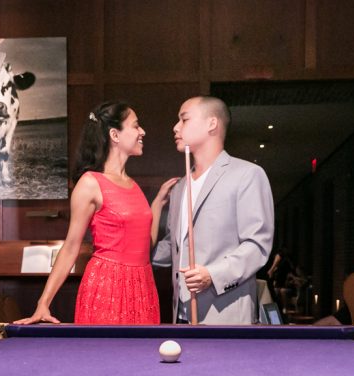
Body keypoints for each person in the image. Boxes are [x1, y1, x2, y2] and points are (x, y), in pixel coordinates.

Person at [16, 102, 176, 325]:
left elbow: (143, 247)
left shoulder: (133, 185)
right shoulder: (90, 183)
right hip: (107, 288)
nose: (142, 132)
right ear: (114, 135)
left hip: (142, 287)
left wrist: (158, 203)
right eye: (136, 126)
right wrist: (43, 303)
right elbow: (71, 246)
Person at [151, 96, 274, 324]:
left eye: (184, 119)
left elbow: (257, 246)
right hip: (182, 315)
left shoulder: (247, 175)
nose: (175, 127)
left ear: (212, 124)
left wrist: (212, 275)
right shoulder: (179, 187)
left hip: (226, 315)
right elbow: (174, 246)